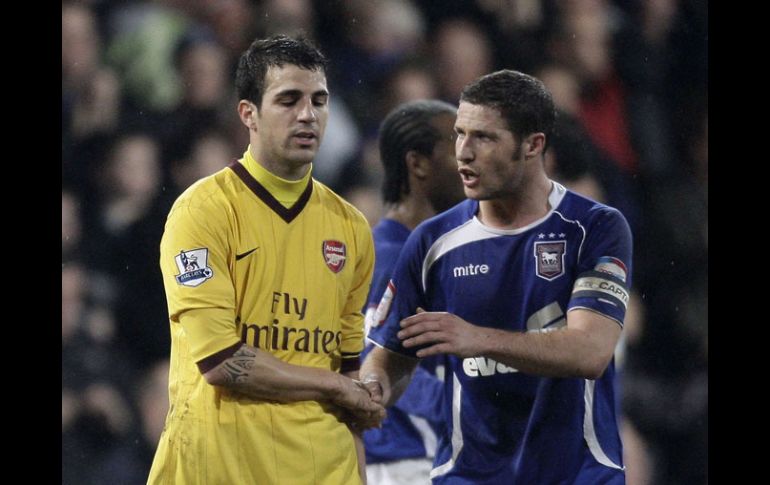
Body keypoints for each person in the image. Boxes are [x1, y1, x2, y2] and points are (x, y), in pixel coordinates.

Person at [361, 69, 632, 484]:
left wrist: (475, 338)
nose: (463, 153)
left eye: (484, 138)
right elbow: (390, 359)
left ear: (532, 145)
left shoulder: (593, 227)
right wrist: (373, 388)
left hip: (577, 473)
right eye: (458, 134)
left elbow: (591, 352)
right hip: (468, 475)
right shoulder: (431, 242)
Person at [147, 35, 385, 485]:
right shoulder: (203, 211)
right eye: (288, 100)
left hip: (324, 468)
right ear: (248, 114)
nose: (307, 115)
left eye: (319, 100)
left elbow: (349, 373)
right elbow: (221, 361)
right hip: (223, 467)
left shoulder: (352, 227)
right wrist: (334, 385)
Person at [363, 99, 464, 484]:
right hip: (400, 462)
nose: (470, 159)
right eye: (457, 148)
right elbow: (374, 361)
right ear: (418, 163)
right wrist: (472, 405)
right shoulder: (391, 256)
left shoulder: (427, 254)